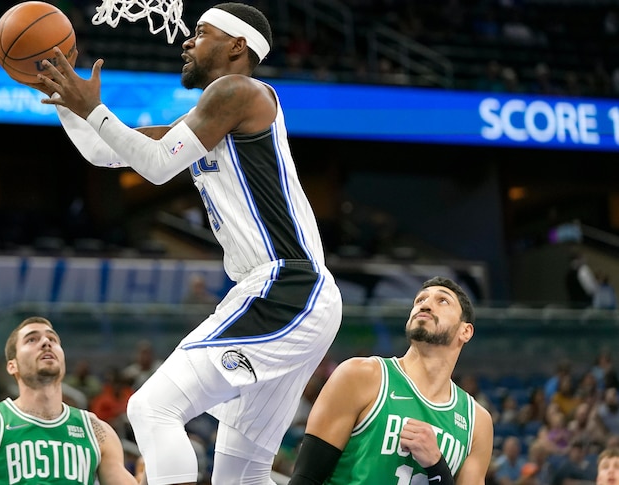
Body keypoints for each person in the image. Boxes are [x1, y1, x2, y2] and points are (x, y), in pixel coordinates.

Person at [34, 3, 343, 483]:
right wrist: (65, 100)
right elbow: (105, 151)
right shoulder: (212, 116)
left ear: (237, 46)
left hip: (287, 285)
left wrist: (92, 108)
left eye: (201, 32)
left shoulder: (239, 91)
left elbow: (156, 165)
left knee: (153, 408)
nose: (186, 41)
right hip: (288, 294)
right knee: (241, 469)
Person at [288, 277, 493, 484]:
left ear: (465, 331)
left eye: (442, 301)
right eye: (420, 300)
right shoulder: (360, 375)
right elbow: (306, 477)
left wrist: (437, 466)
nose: (426, 304)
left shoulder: (477, 422)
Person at [0, 316, 138, 484]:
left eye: (53, 339)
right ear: (12, 365)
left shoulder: (97, 431)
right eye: (32, 340)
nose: (46, 343)